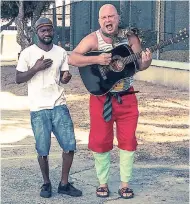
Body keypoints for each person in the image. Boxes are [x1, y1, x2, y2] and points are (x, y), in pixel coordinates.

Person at [69, 4, 152, 199]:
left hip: (127, 97)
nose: (108, 20)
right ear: (100, 21)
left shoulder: (130, 37)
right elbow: (73, 58)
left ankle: (125, 184)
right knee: (100, 141)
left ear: (117, 18)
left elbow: (140, 64)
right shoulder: (92, 39)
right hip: (101, 98)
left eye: (111, 16)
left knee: (128, 141)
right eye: (104, 17)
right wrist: (96, 60)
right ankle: (103, 183)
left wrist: (146, 61)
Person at [15, 17, 82, 198]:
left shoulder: (60, 52)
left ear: (53, 31)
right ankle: (46, 183)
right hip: (38, 108)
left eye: (49, 30)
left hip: (59, 105)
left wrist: (65, 79)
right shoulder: (28, 53)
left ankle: (64, 184)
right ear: (37, 33)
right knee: (42, 150)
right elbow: (18, 78)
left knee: (69, 146)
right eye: (43, 30)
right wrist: (36, 68)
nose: (47, 33)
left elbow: (62, 78)